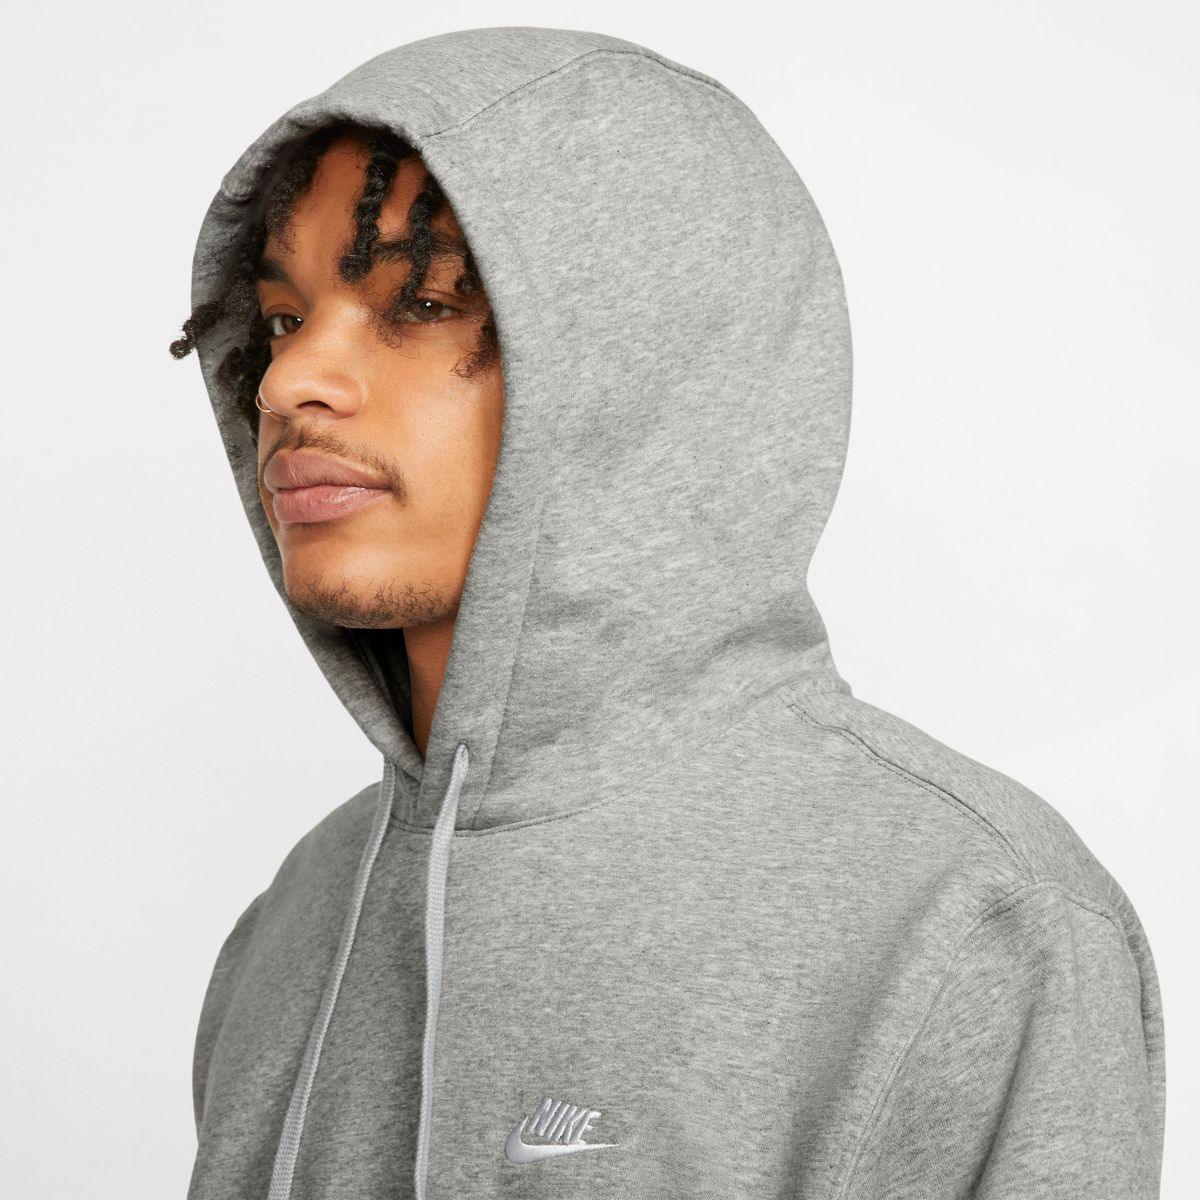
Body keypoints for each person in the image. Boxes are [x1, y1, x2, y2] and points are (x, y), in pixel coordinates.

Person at [172, 26, 1166, 1200]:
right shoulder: (292, 924)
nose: (292, 384)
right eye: (283, 320)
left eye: (423, 303)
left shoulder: (974, 923)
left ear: (642, 370)